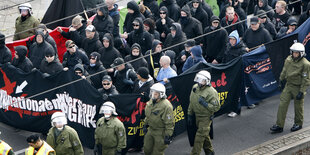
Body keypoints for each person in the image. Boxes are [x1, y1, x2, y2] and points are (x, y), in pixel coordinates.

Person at [270, 43, 310, 133]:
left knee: (298, 107)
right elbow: (284, 70)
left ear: (301, 53)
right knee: (282, 105)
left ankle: (298, 123)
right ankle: (279, 125)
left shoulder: (305, 64)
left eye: (297, 53)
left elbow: (306, 79)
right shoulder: (289, 59)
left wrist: (302, 91)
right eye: (293, 52)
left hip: (298, 87)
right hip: (289, 85)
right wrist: (281, 79)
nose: (294, 54)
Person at [188, 70, 221, 155]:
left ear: (207, 81)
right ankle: (210, 152)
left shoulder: (212, 92)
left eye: (202, 80)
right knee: (204, 135)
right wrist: (189, 114)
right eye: (198, 79)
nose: (199, 81)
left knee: (199, 138)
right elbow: (192, 101)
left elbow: (216, 107)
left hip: (205, 118)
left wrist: (206, 104)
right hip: (197, 116)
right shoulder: (195, 87)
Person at [143, 83, 175, 155]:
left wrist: (168, 135)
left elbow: (169, 122)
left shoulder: (166, 106)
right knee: (146, 149)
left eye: (155, 94)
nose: (153, 95)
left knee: (157, 152)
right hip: (151, 129)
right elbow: (148, 115)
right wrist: (145, 125)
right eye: (152, 92)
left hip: (160, 132)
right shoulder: (151, 102)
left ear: (161, 94)